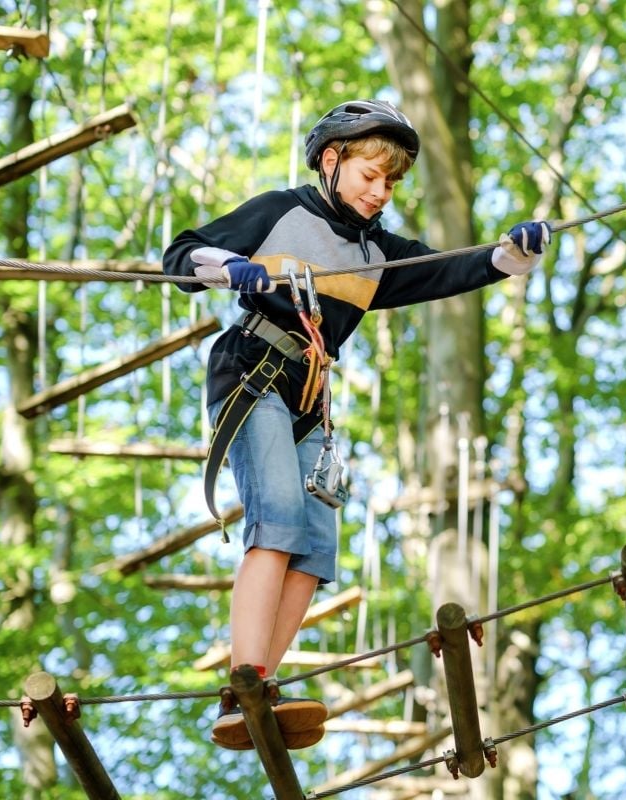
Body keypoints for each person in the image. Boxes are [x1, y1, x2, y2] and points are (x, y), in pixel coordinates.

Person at [162, 98, 550, 751]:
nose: (381, 192)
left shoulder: (377, 252)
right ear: (332, 161)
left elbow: (444, 269)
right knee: (279, 515)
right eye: (371, 175)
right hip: (252, 367)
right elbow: (181, 255)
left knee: (314, 549)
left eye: (392, 182)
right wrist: (232, 267)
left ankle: (261, 690)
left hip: (310, 394)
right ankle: (245, 679)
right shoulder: (281, 211)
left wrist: (507, 256)